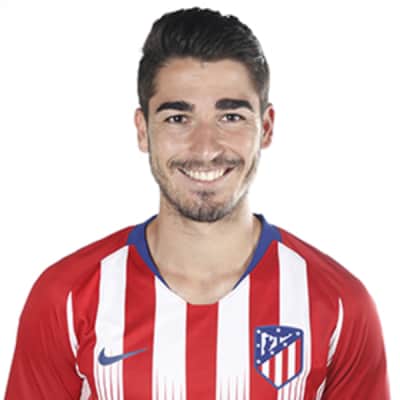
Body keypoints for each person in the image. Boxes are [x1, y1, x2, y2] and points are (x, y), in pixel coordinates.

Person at [5, 7, 390, 400]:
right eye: (177, 119)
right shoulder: (67, 298)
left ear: (266, 128)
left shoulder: (339, 305)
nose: (205, 148)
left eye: (231, 117)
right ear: (143, 130)